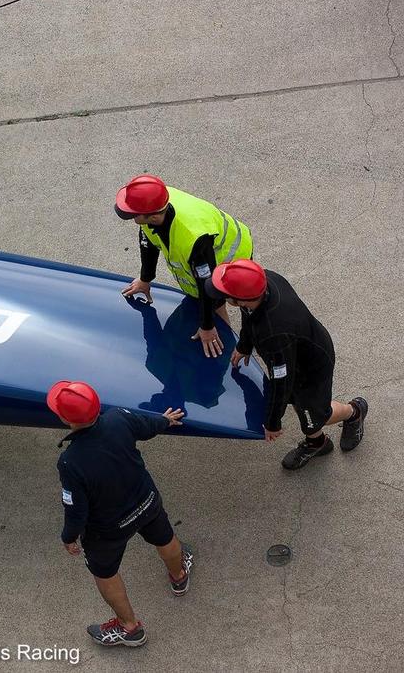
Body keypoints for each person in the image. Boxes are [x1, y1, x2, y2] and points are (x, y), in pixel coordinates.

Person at [49, 380, 193, 648]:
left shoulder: (70, 461)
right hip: (146, 502)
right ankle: (179, 576)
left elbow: (75, 509)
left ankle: (130, 629)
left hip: (108, 529)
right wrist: (165, 420)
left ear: (63, 417)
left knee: (105, 573)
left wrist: (69, 537)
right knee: (166, 539)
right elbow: (148, 427)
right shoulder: (118, 418)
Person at [205, 259, 369, 469]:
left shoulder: (273, 332)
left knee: (314, 417)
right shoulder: (264, 281)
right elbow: (248, 316)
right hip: (296, 352)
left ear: (239, 300)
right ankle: (318, 442)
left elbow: (281, 381)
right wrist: (245, 344)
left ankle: (354, 411)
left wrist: (273, 422)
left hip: (310, 370)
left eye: (224, 292)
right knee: (301, 408)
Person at [115, 174, 253, 358]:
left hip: (231, 258)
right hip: (204, 258)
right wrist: (145, 279)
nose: (131, 216)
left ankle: (226, 350)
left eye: (133, 214)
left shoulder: (193, 237)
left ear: (154, 217)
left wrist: (207, 326)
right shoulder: (153, 203)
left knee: (218, 304)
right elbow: (147, 242)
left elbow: (208, 284)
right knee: (207, 301)